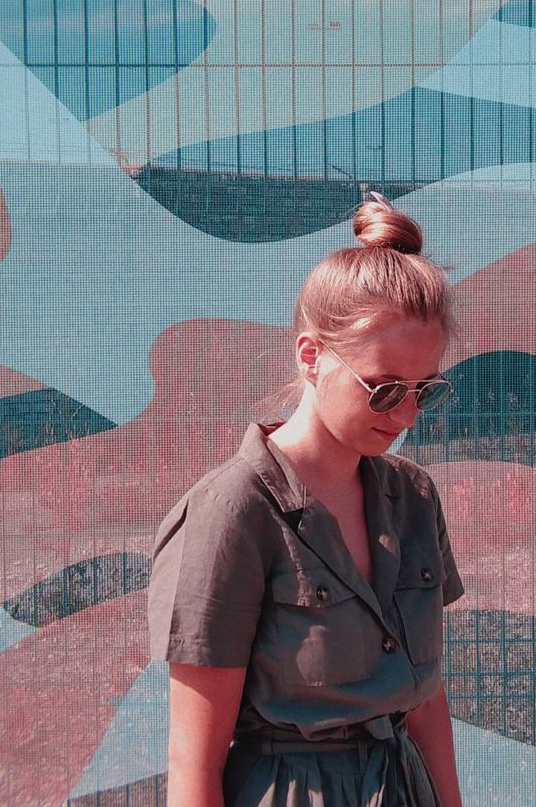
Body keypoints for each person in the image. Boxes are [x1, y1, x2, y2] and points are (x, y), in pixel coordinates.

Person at [147, 192, 465, 806]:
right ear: (312, 356)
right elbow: (193, 764)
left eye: (424, 391)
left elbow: (424, 699)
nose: (404, 414)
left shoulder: (413, 497)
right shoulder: (232, 511)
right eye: (383, 388)